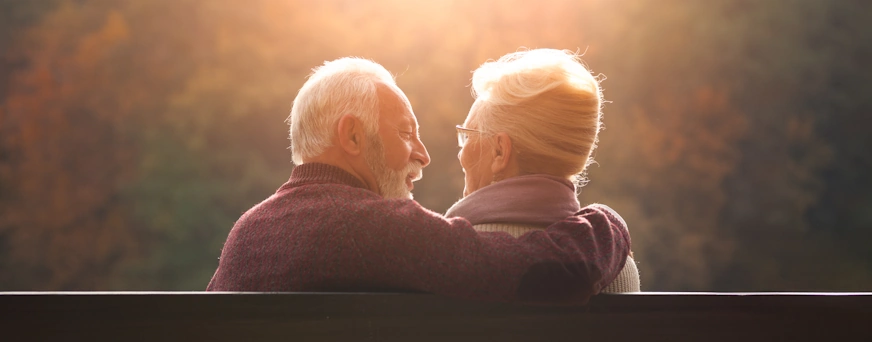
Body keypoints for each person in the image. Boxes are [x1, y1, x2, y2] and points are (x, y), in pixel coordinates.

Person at [206, 57, 632, 304]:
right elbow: (545, 273)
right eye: (406, 133)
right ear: (353, 136)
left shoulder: (247, 232)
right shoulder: (371, 228)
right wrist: (607, 223)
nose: (424, 154)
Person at [446, 49, 641, 292]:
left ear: (500, 152)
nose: (461, 154)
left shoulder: (450, 259)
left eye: (468, 135)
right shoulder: (620, 266)